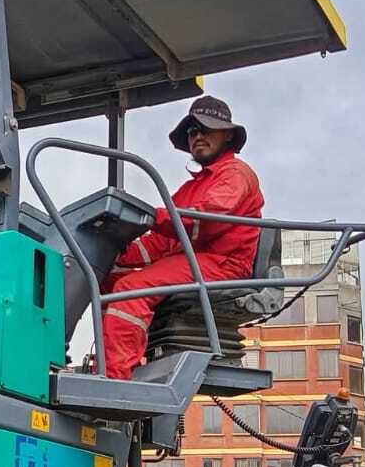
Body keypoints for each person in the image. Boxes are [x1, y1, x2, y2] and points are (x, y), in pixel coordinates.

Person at [100, 97, 263, 379]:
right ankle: (107, 365)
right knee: (108, 278)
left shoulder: (235, 174)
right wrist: (113, 252)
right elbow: (160, 242)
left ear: (227, 135)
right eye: (192, 130)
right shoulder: (192, 188)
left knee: (130, 288)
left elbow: (208, 218)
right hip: (192, 261)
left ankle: (116, 378)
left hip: (223, 265)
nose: (198, 136)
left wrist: (155, 216)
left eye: (206, 129)